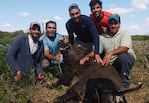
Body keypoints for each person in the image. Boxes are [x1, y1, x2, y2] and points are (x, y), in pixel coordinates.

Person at [80, 14, 136, 89]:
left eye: (115, 23)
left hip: (126, 59)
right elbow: (96, 51)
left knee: (123, 57)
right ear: (108, 24)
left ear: (119, 24)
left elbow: (125, 48)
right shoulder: (102, 37)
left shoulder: (124, 33)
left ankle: (125, 84)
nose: (113, 26)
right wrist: (86, 56)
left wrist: (110, 53)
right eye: (111, 23)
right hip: (111, 63)